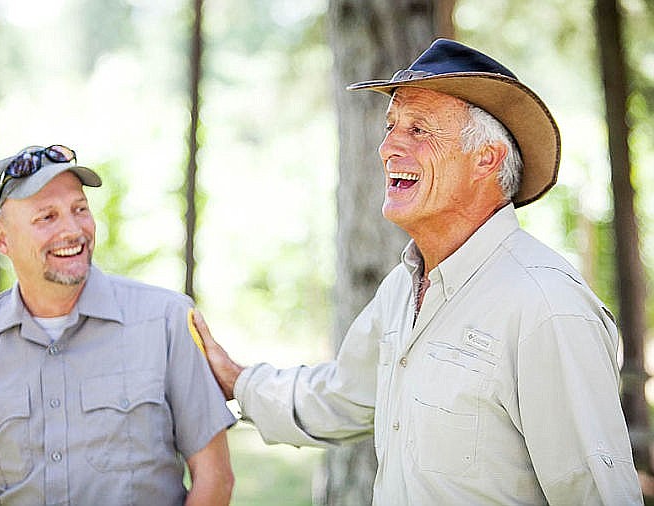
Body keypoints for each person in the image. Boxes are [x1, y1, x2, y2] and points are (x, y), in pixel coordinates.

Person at [192, 39, 644, 504]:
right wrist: (236, 379)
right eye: (391, 127)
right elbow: (341, 399)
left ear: (486, 159)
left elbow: (598, 494)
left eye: (419, 129)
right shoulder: (404, 287)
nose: (388, 147)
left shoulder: (546, 307)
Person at [0, 144, 236, 505]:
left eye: (79, 210)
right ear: (2, 237)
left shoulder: (166, 321)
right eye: (47, 217)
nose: (72, 230)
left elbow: (215, 478)